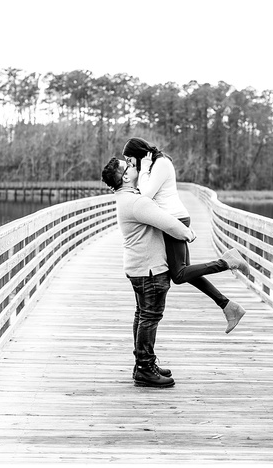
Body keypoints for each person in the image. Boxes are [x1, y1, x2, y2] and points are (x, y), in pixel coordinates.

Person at [122, 137, 248, 334]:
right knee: (187, 272)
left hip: (175, 221)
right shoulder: (153, 166)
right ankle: (229, 307)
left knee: (179, 275)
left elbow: (145, 196)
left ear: (138, 154)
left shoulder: (160, 164)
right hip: (169, 221)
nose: (130, 165)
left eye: (130, 160)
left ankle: (227, 262)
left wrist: (144, 168)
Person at [101, 157, 196, 388]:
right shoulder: (137, 202)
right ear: (125, 177)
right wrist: (187, 233)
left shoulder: (127, 198)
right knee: (150, 317)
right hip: (150, 269)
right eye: (131, 167)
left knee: (142, 315)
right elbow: (168, 223)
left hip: (139, 267)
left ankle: (143, 363)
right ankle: (145, 369)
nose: (135, 168)